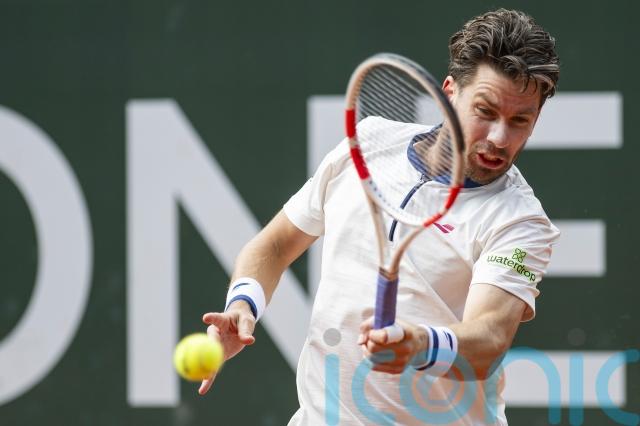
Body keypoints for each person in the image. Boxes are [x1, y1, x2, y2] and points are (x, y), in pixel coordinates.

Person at [199, 8, 560, 425]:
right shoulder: (368, 144)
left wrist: (421, 344)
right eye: (486, 111)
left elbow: (489, 338)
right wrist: (243, 303)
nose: (499, 137)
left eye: (519, 121)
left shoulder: (519, 221)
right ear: (449, 93)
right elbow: (276, 245)